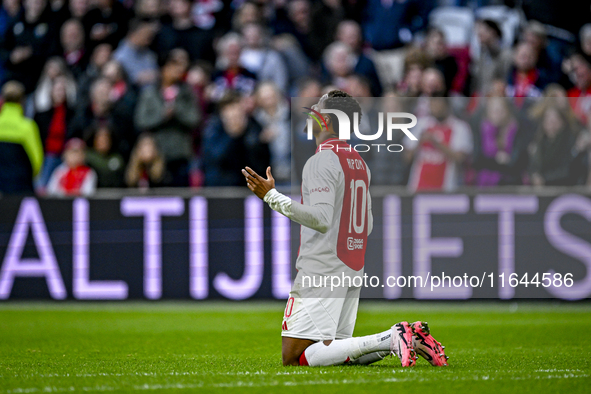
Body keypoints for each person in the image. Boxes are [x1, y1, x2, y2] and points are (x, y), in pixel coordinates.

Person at [241, 90, 448, 368]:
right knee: (335, 353)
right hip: (350, 265)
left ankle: (392, 337)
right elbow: (369, 223)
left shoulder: (321, 161)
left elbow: (322, 218)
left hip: (322, 268)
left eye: (317, 107)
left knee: (293, 357)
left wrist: (271, 196)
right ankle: (410, 338)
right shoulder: (357, 161)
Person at [134, 54, 200, 186]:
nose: (176, 72)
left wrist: (177, 112)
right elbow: (141, 120)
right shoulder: (150, 92)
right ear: (163, 70)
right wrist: (162, 116)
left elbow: (195, 119)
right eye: (172, 68)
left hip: (180, 153)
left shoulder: (186, 92)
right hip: (156, 155)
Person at [404, 96, 473, 192]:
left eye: (438, 104)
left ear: (446, 106)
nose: (435, 108)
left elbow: (460, 158)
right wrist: (419, 142)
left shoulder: (460, 127)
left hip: (446, 189)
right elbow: (407, 157)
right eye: (432, 105)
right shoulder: (421, 125)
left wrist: (436, 143)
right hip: (418, 188)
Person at [202, 92, 269, 186]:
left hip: (247, 186)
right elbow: (214, 159)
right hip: (218, 187)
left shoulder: (253, 127)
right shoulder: (213, 128)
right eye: (230, 109)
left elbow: (260, 164)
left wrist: (255, 141)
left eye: (237, 108)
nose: (234, 113)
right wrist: (231, 135)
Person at [0, 80, 43, 194]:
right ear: (22, 100)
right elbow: (37, 160)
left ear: (3, 100)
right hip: (21, 185)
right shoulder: (27, 126)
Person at [33, 76, 75, 191]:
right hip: (46, 156)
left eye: (62, 90)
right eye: (57, 89)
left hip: (65, 156)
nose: (59, 93)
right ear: (51, 92)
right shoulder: (41, 115)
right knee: (42, 186)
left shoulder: (72, 114)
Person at [112, 19, 159, 88]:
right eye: (145, 35)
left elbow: (156, 74)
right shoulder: (119, 56)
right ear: (133, 34)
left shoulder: (149, 53)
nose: (148, 40)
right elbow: (127, 80)